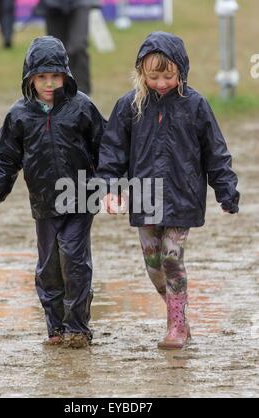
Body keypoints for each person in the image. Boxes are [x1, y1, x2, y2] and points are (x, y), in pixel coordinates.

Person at [97, 31, 240, 350]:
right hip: (144, 197)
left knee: (172, 257)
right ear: (141, 74)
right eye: (154, 76)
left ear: (181, 71)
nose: (161, 83)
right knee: (154, 266)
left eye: (168, 76)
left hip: (182, 196)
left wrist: (226, 191)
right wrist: (109, 188)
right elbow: (112, 150)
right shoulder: (128, 106)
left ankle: (175, 325)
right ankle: (179, 314)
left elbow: (216, 151)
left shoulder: (196, 105)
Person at [0, 36, 106, 348]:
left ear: (66, 75)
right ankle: (56, 329)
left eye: (55, 76)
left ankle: (78, 328)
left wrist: (114, 186)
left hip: (82, 198)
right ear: (29, 79)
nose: (49, 83)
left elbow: (106, 149)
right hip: (44, 203)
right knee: (49, 268)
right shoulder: (19, 115)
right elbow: (6, 159)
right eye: (41, 77)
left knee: (74, 261)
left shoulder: (82, 108)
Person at [36, 0, 99, 95]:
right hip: (52, 5)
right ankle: (59, 92)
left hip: (80, 4)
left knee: (78, 47)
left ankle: (82, 94)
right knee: (55, 51)